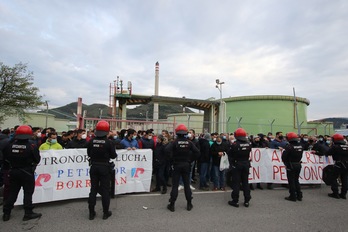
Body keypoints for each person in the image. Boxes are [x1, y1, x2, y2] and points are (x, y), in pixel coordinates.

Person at [2, 125, 42, 221]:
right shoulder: (32, 146)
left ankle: (6, 213)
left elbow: (5, 157)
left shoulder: (9, 145)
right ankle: (28, 213)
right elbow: (37, 159)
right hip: (27, 172)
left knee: (13, 192)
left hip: (14, 171)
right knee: (28, 193)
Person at [165, 124, 200, 212]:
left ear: (177, 133)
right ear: (185, 133)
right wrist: (190, 160)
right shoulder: (189, 143)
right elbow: (197, 153)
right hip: (186, 165)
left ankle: (172, 205)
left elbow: (166, 150)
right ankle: (189, 204)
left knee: (175, 185)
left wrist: (172, 159)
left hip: (176, 165)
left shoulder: (174, 142)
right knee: (187, 185)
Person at [87, 121, 117, 220]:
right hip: (104, 167)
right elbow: (113, 155)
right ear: (107, 131)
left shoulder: (91, 141)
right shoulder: (109, 142)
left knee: (93, 190)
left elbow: (89, 154)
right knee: (105, 191)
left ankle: (91, 213)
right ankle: (105, 213)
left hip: (94, 166)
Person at [228, 128, 252, 208]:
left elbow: (230, 154)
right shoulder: (248, 143)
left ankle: (235, 200)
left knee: (236, 183)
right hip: (246, 164)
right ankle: (247, 200)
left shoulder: (234, 144)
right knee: (245, 182)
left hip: (237, 164)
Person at [280, 132, 303, 202]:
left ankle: (292, 196)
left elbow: (284, 157)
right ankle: (299, 195)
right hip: (298, 164)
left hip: (291, 165)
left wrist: (286, 162)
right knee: (296, 180)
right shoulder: (300, 146)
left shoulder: (289, 146)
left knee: (291, 181)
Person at [325, 133, 348, 199]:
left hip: (339, 164)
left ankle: (335, 193)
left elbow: (328, 153)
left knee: (333, 178)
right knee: (345, 179)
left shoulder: (336, 147)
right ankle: (343, 194)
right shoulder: (346, 146)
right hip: (346, 164)